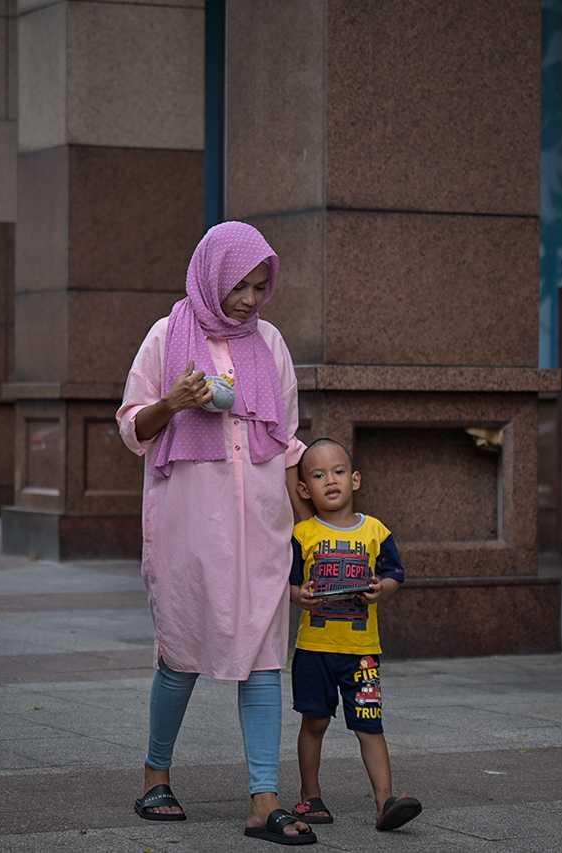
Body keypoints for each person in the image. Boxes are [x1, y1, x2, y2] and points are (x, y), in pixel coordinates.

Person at [116, 222, 317, 846]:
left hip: (261, 527)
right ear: (213, 276)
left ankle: (264, 800)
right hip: (188, 529)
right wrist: (175, 401)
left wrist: (307, 537)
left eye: (261, 288)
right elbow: (131, 426)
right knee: (181, 652)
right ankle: (156, 775)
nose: (252, 300)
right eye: (242, 286)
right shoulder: (165, 335)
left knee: (261, 656)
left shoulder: (272, 343)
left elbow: (285, 442)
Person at [288, 438, 422, 832]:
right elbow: (289, 584)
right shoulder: (303, 534)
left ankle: (386, 802)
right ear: (303, 490)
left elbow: (396, 574)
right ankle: (310, 797)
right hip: (314, 650)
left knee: (369, 724)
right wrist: (301, 596)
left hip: (363, 653)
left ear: (356, 479)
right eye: (318, 475)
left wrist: (383, 588)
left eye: (339, 471)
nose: (330, 480)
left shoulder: (376, 532)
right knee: (314, 723)